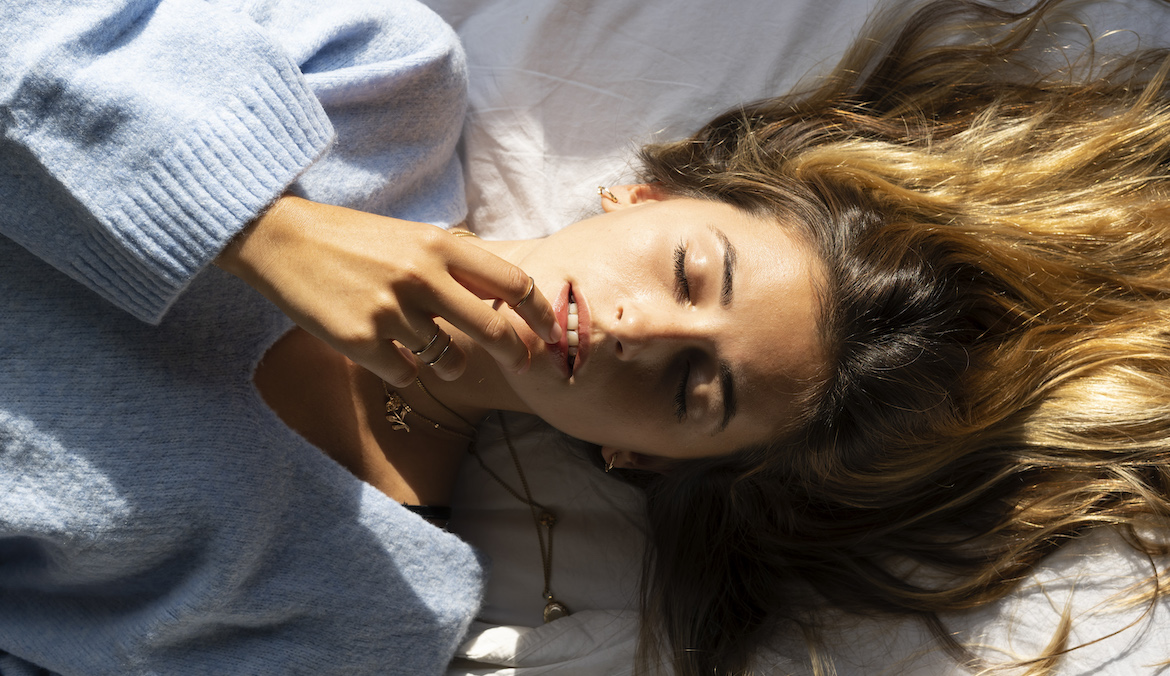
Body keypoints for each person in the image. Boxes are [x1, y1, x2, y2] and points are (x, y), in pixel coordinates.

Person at [4, 2, 1170, 676]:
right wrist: (266, 226)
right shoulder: (368, 86)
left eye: (695, 387)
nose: (636, 330)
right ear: (643, 197)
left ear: (643, 459)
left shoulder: (357, 615)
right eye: (689, 274)